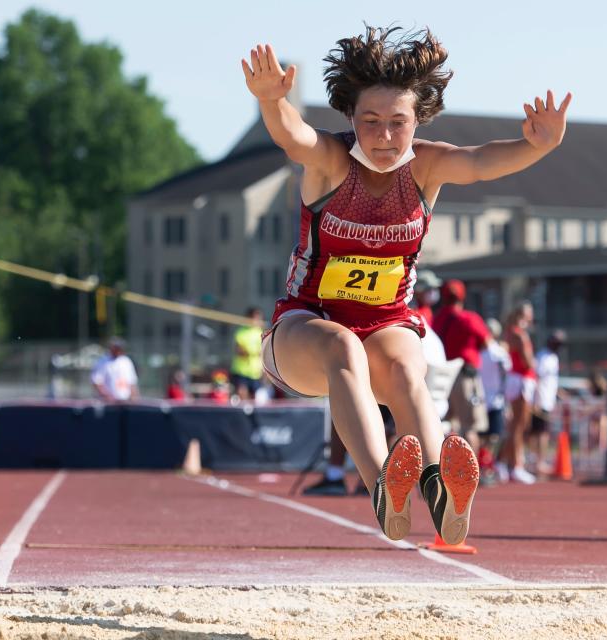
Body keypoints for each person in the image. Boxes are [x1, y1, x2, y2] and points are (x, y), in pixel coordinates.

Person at [243, 26, 571, 543]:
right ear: (351, 118)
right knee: (343, 347)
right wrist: (271, 103)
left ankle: (438, 487)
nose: (384, 136)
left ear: (417, 122)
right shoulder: (331, 161)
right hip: (305, 327)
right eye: (371, 122)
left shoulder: (427, 166)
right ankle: (383, 488)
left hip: (387, 322)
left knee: (401, 365)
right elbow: (294, 135)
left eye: (398, 123)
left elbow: (484, 162)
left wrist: (539, 146)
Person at [433, 279, 491, 451]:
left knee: (445, 424)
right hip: (464, 375)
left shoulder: (437, 319)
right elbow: (487, 343)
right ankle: (471, 474)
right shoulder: (469, 318)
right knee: (470, 427)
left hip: (442, 376)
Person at [497, 301, 538, 484]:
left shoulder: (511, 333)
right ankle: (516, 466)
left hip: (518, 379)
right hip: (521, 379)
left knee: (517, 425)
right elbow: (528, 362)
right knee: (519, 425)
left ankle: (502, 462)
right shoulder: (519, 335)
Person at [478, 318, 511, 483]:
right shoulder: (490, 352)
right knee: (487, 435)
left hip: (491, 399)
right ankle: (484, 465)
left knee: (492, 435)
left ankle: (486, 463)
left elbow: (505, 373)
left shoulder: (495, 352)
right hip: (487, 399)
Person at [530, 329, 566, 476]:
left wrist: (559, 393)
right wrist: (536, 400)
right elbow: (536, 378)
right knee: (539, 433)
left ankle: (538, 461)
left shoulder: (553, 357)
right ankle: (538, 462)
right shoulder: (543, 357)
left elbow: (550, 381)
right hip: (540, 399)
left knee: (541, 432)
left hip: (547, 399)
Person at [230, 307, 264, 401]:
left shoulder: (260, 333)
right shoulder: (241, 332)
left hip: (255, 372)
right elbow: (239, 351)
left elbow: (262, 352)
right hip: (241, 371)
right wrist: (253, 352)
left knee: (254, 397)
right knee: (242, 394)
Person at [91, 337, 140, 401]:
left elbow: (132, 383)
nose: (118, 350)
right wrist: (107, 396)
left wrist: (134, 397)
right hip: (108, 403)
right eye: (116, 348)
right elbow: (97, 382)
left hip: (125, 402)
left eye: (119, 348)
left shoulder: (126, 361)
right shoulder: (102, 361)